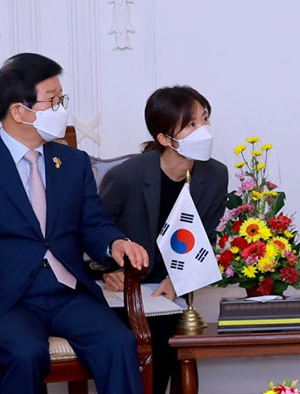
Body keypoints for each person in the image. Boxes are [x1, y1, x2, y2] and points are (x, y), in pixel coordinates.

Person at [0, 53, 149, 394]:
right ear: (19, 111)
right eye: (53, 100)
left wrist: (114, 243)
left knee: (118, 342)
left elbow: (93, 223)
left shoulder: (73, 162)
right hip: (6, 298)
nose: (61, 108)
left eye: (62, 99)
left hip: (67, 292)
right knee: (27, 351)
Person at [98, 85, 228, 394]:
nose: (204, 130)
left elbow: (205, 237)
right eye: (191, 125)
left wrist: (177, 280)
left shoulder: (216, 175)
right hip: (125, 287)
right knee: (144, 338)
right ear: (164, 139)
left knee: (171, 331)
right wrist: (106, 270)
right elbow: (92, 228)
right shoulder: (127, 176)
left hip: (170, 287)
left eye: (204, 119)